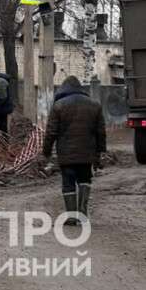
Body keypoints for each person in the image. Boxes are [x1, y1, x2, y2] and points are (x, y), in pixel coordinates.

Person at [43, 75, 106, 225]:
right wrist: (100, 153)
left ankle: (71, 216)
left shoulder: (58, 106)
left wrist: (46, 151)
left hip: (66, 154)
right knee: (85, 179)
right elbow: (100, 132)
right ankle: (83, 214)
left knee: (68, 182)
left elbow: (51, 132)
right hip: (87, 154)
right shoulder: (94, 105)